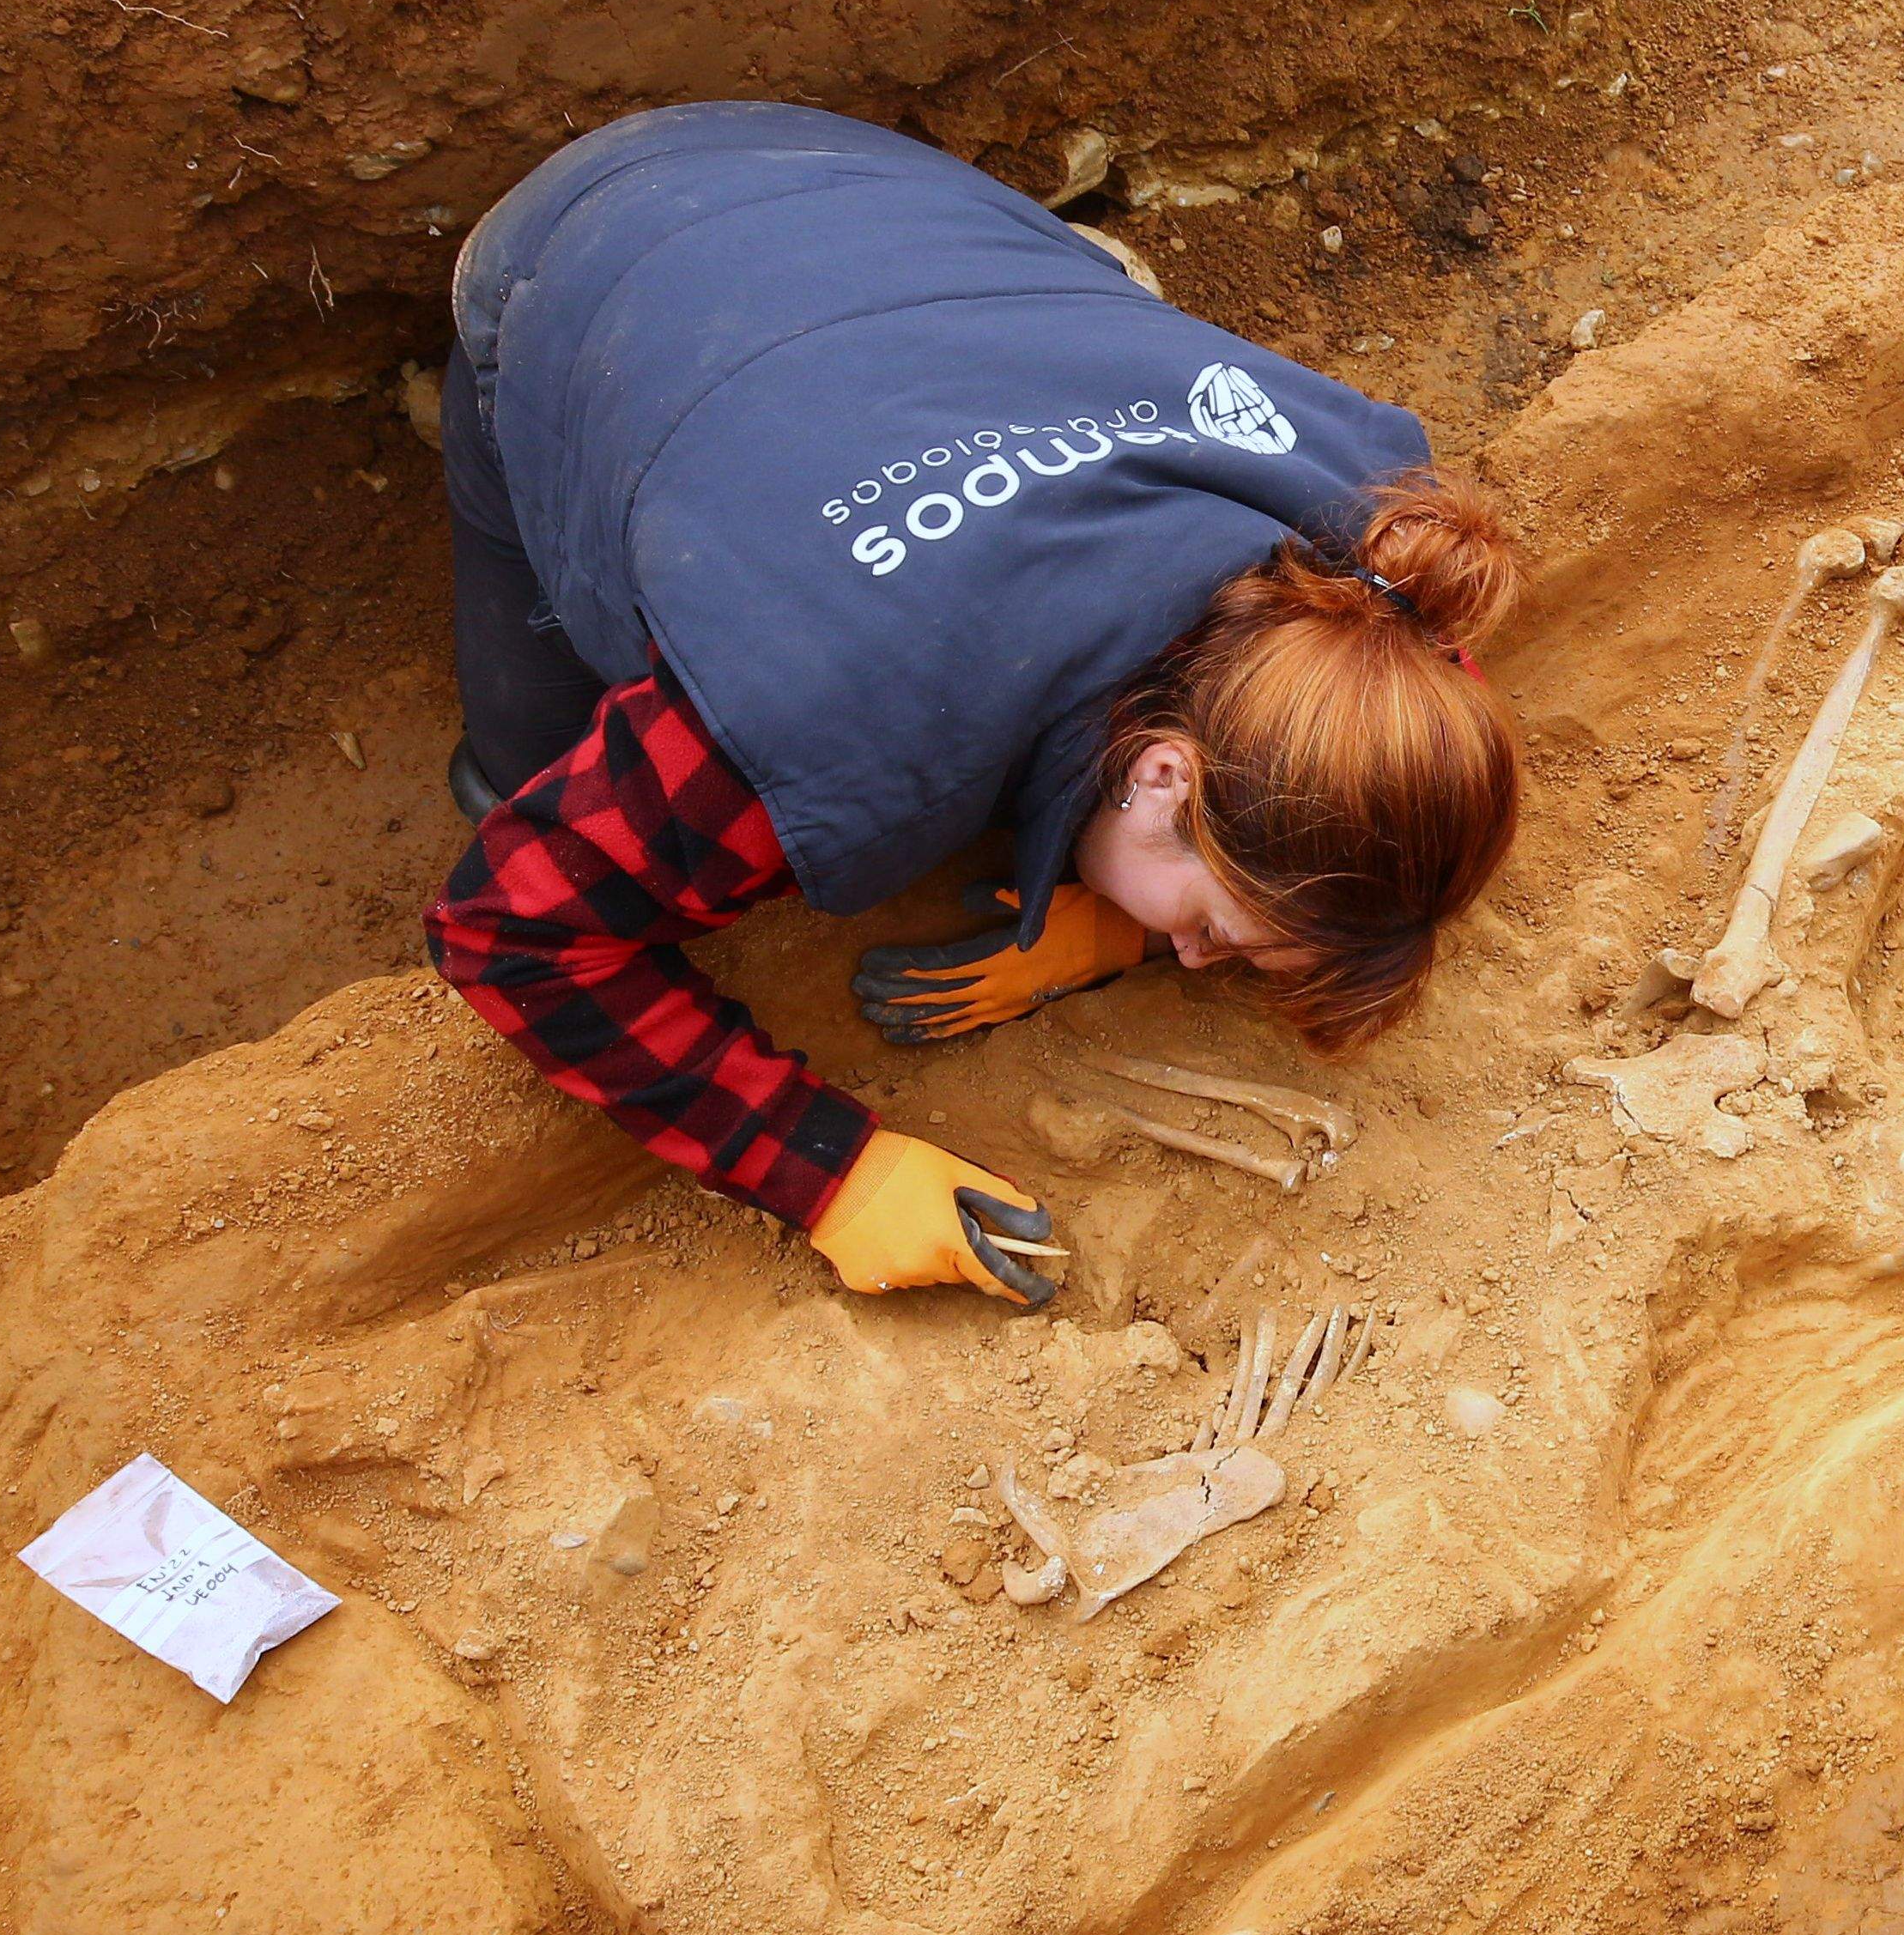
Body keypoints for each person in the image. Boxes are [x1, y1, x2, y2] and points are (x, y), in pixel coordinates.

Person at [422, 103, 1520, 1307]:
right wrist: (825, 1172)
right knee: (526, 767)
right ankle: (489, 402)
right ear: (1165, 778)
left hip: (893, 214)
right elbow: (513, 930)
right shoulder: (816, 711)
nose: (1192, 959)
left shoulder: (1364, 559)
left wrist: (1119, 915)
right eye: (1209, 928)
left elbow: (1418, 701)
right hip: (583, 253)